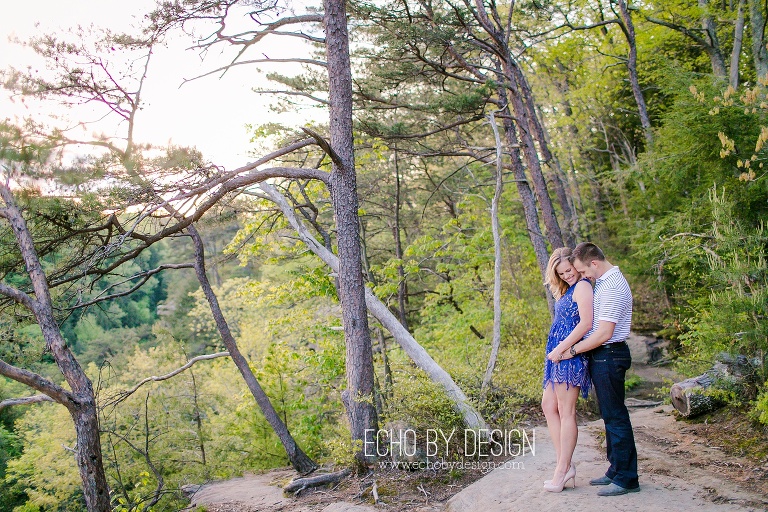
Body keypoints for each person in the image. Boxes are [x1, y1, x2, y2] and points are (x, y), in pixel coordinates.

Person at [555, 242, 640, 496]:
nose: (582, 276)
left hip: (609, 355)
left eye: (582, 271)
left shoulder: (612, 287)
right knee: (609, 414)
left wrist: (572, 350)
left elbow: (604, 333)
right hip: (603, 356)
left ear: (594, 263)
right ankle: (616, 469)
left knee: (616, 416)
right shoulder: (603, 282)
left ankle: (626, 479)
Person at [541, 247, 593, 493]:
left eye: (569, 270)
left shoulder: (582, 287)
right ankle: (566, 463)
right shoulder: (567, 289)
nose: (567, 276)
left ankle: (562, 471)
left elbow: (586, 324)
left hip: (569, 355)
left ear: (576, 265)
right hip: (557, 355)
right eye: (561, 273)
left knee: (566, 411)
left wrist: (561, 349)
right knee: (548, 405)